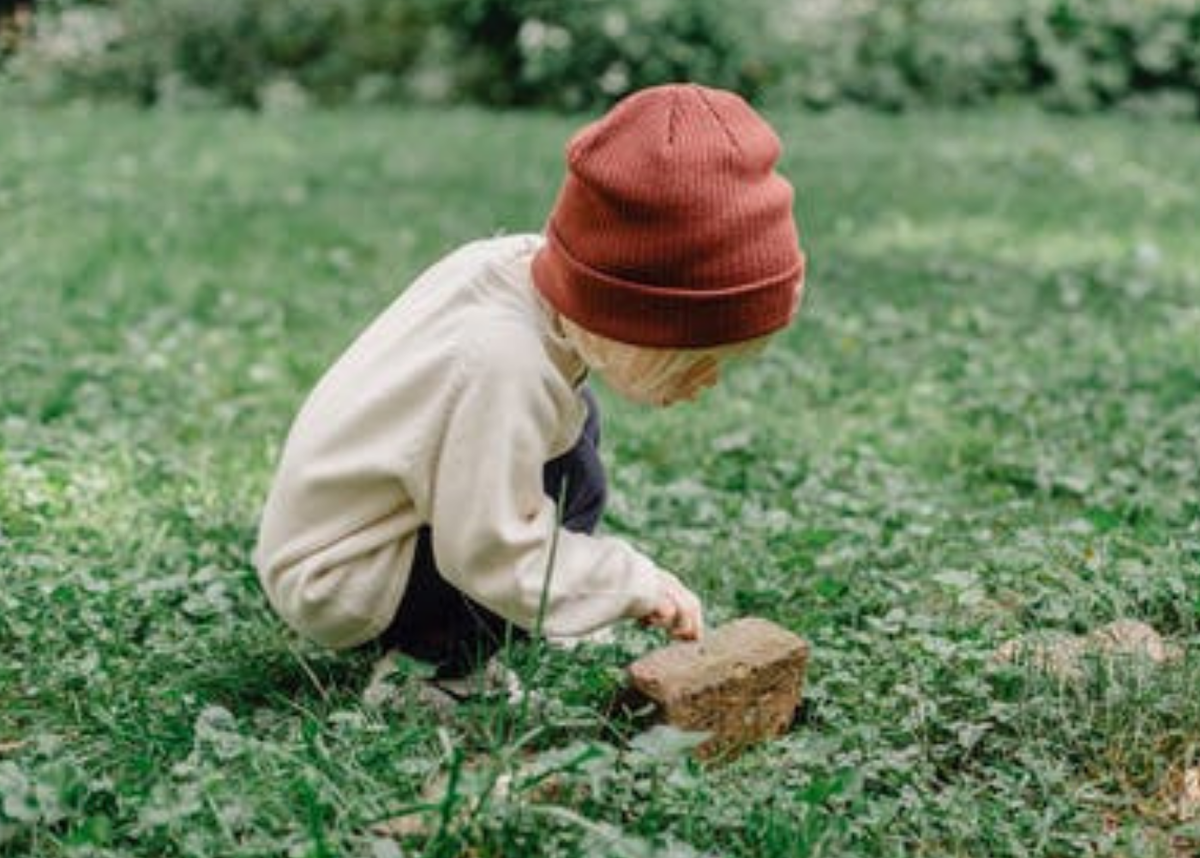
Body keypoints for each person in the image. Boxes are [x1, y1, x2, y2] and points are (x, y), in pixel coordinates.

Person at [253, 83, 806, 689]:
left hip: (381, 519)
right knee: (562, 484)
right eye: (691, 359)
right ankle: (427, 672)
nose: (706, 384)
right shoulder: (502, 364)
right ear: (628, 315)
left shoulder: (529, 278)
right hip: (341, 572)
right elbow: (489, 553)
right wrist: (627, 582)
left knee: (575, 446)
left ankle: (525, 608)